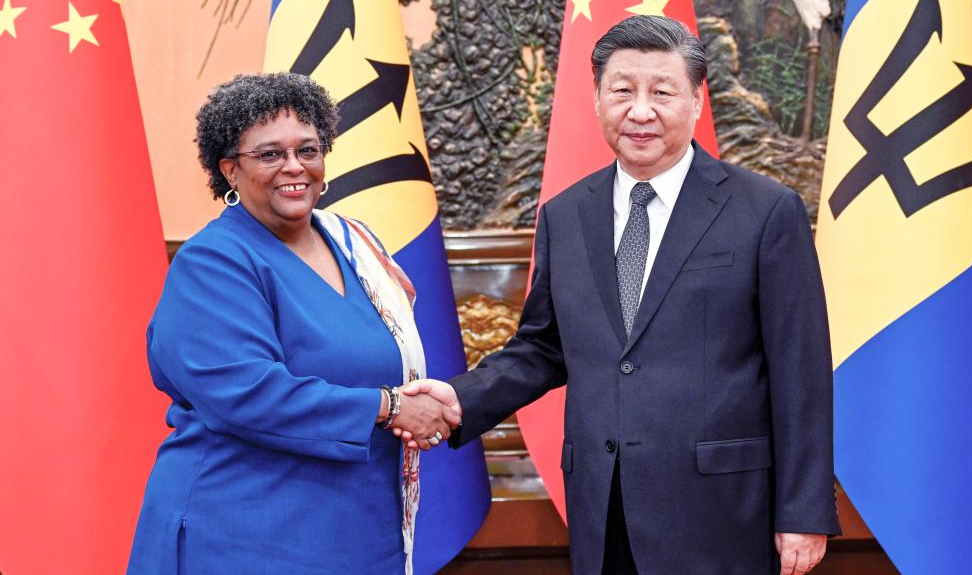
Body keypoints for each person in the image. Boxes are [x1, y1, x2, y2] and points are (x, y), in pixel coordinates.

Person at [403, 15, 839, 575]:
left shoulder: (765, 211)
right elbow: (544, 347)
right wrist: (462, 400)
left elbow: (800, 371)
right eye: (623, 91)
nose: (641, 111)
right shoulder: (565, 215)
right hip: (603, 510)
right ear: (597, 98)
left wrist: (803, 511)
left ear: (697, 100)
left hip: (724, 513)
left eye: (662, 92)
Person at [126, 72, 458, 575]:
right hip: (246, 530)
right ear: (229, 171)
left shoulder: (354, 244)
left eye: (308, 149)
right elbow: (247, 393)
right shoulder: (213, 261)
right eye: (269, 154)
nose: (294, 167)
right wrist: (388, 407)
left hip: (356, 524)